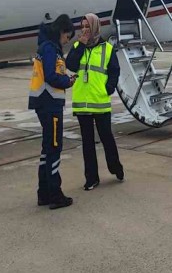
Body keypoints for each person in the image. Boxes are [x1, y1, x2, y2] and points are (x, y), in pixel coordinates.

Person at [66, 13, 124, 191]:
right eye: (82, 26)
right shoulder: (78, 46)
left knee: (107, 138)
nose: (84, 30)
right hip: (82, 103)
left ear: (95, 27)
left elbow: (114, 71)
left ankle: (115, 167)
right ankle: (91, 178)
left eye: (87, 26)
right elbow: (70, 65)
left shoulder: (107, 48)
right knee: (87, 143)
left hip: (100, 102)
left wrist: (109, 88)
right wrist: (81, 45)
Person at [28, 14, 76, 209]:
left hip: (45, 103)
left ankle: (44, 193)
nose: (67, 41)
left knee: (47, 148)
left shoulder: (48, 47)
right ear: (61, 31)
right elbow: (51, 76)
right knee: (54, 147)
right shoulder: (50, 48)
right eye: (67, 37)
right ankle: (55, 194)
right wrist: (67, 81)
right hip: (49, 104)